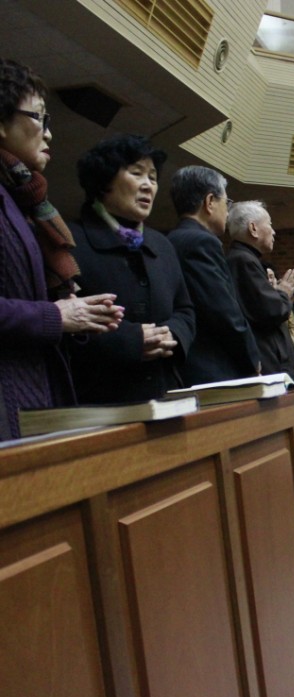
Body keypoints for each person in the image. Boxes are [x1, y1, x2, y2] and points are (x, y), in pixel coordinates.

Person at [0, 58, 123, 439]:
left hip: (31, 395)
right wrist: (56, 315)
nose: (49, 134)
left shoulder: (22, 200)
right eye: (40, 118)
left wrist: (76, 312)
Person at [68, 134, 195, 404]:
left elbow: (185, 309)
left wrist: (171, 334)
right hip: (99, 400)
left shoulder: (162, 244)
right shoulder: (69, 241)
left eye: (153, 177)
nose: (148, 185)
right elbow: (60, 322)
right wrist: (130, 341)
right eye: (137, 174)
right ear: (103, 181)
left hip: (165, 391)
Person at [168, 165, 260, 385]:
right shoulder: (202, 242)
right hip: (214, 368)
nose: (227, 211)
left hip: (185, 366)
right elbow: (223, 311)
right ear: (209, 202)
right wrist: (252, 358)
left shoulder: (169, 240)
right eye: (226, 203)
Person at [225, 200, 294, 383]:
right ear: (253, 229)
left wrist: (273, 292)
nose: (274, 232)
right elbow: (271, 311)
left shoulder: (245, 258)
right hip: (269, 363)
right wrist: (283, 292)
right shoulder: (243, 260)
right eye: (270, 224)